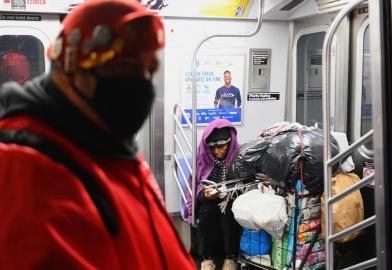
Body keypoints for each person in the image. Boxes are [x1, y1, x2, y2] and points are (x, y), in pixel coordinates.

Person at [0, 1, 195, 269]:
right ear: (71, 68)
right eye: (127, 69)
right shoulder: (28, 172)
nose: (141, 85)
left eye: (148, 71)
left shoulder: (105, 142)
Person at [194, 119, 242, 270]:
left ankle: (231, 257)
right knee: (206, 211)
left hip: (231, 200)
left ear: (230, 142)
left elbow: (246, 182)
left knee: (228, 210)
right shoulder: (203, 158)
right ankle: (207, 258)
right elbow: (194, 186)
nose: (216, 152)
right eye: (212, 148)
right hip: (210, 200)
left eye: (222, 146)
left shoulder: (240, 155)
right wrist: (204, 195)